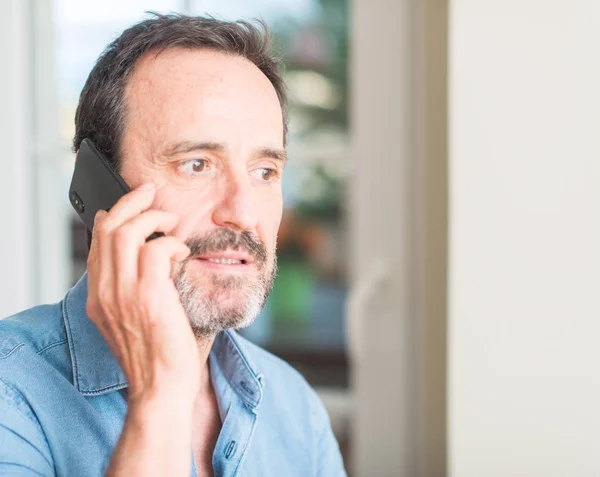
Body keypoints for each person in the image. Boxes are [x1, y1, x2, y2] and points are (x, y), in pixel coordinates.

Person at [0, 13, 347, 477]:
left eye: (265, 171)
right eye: (196, 164)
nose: (243, 213)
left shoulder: (294, 407)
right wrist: (160, 398)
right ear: (99, 186)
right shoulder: (12, 395)